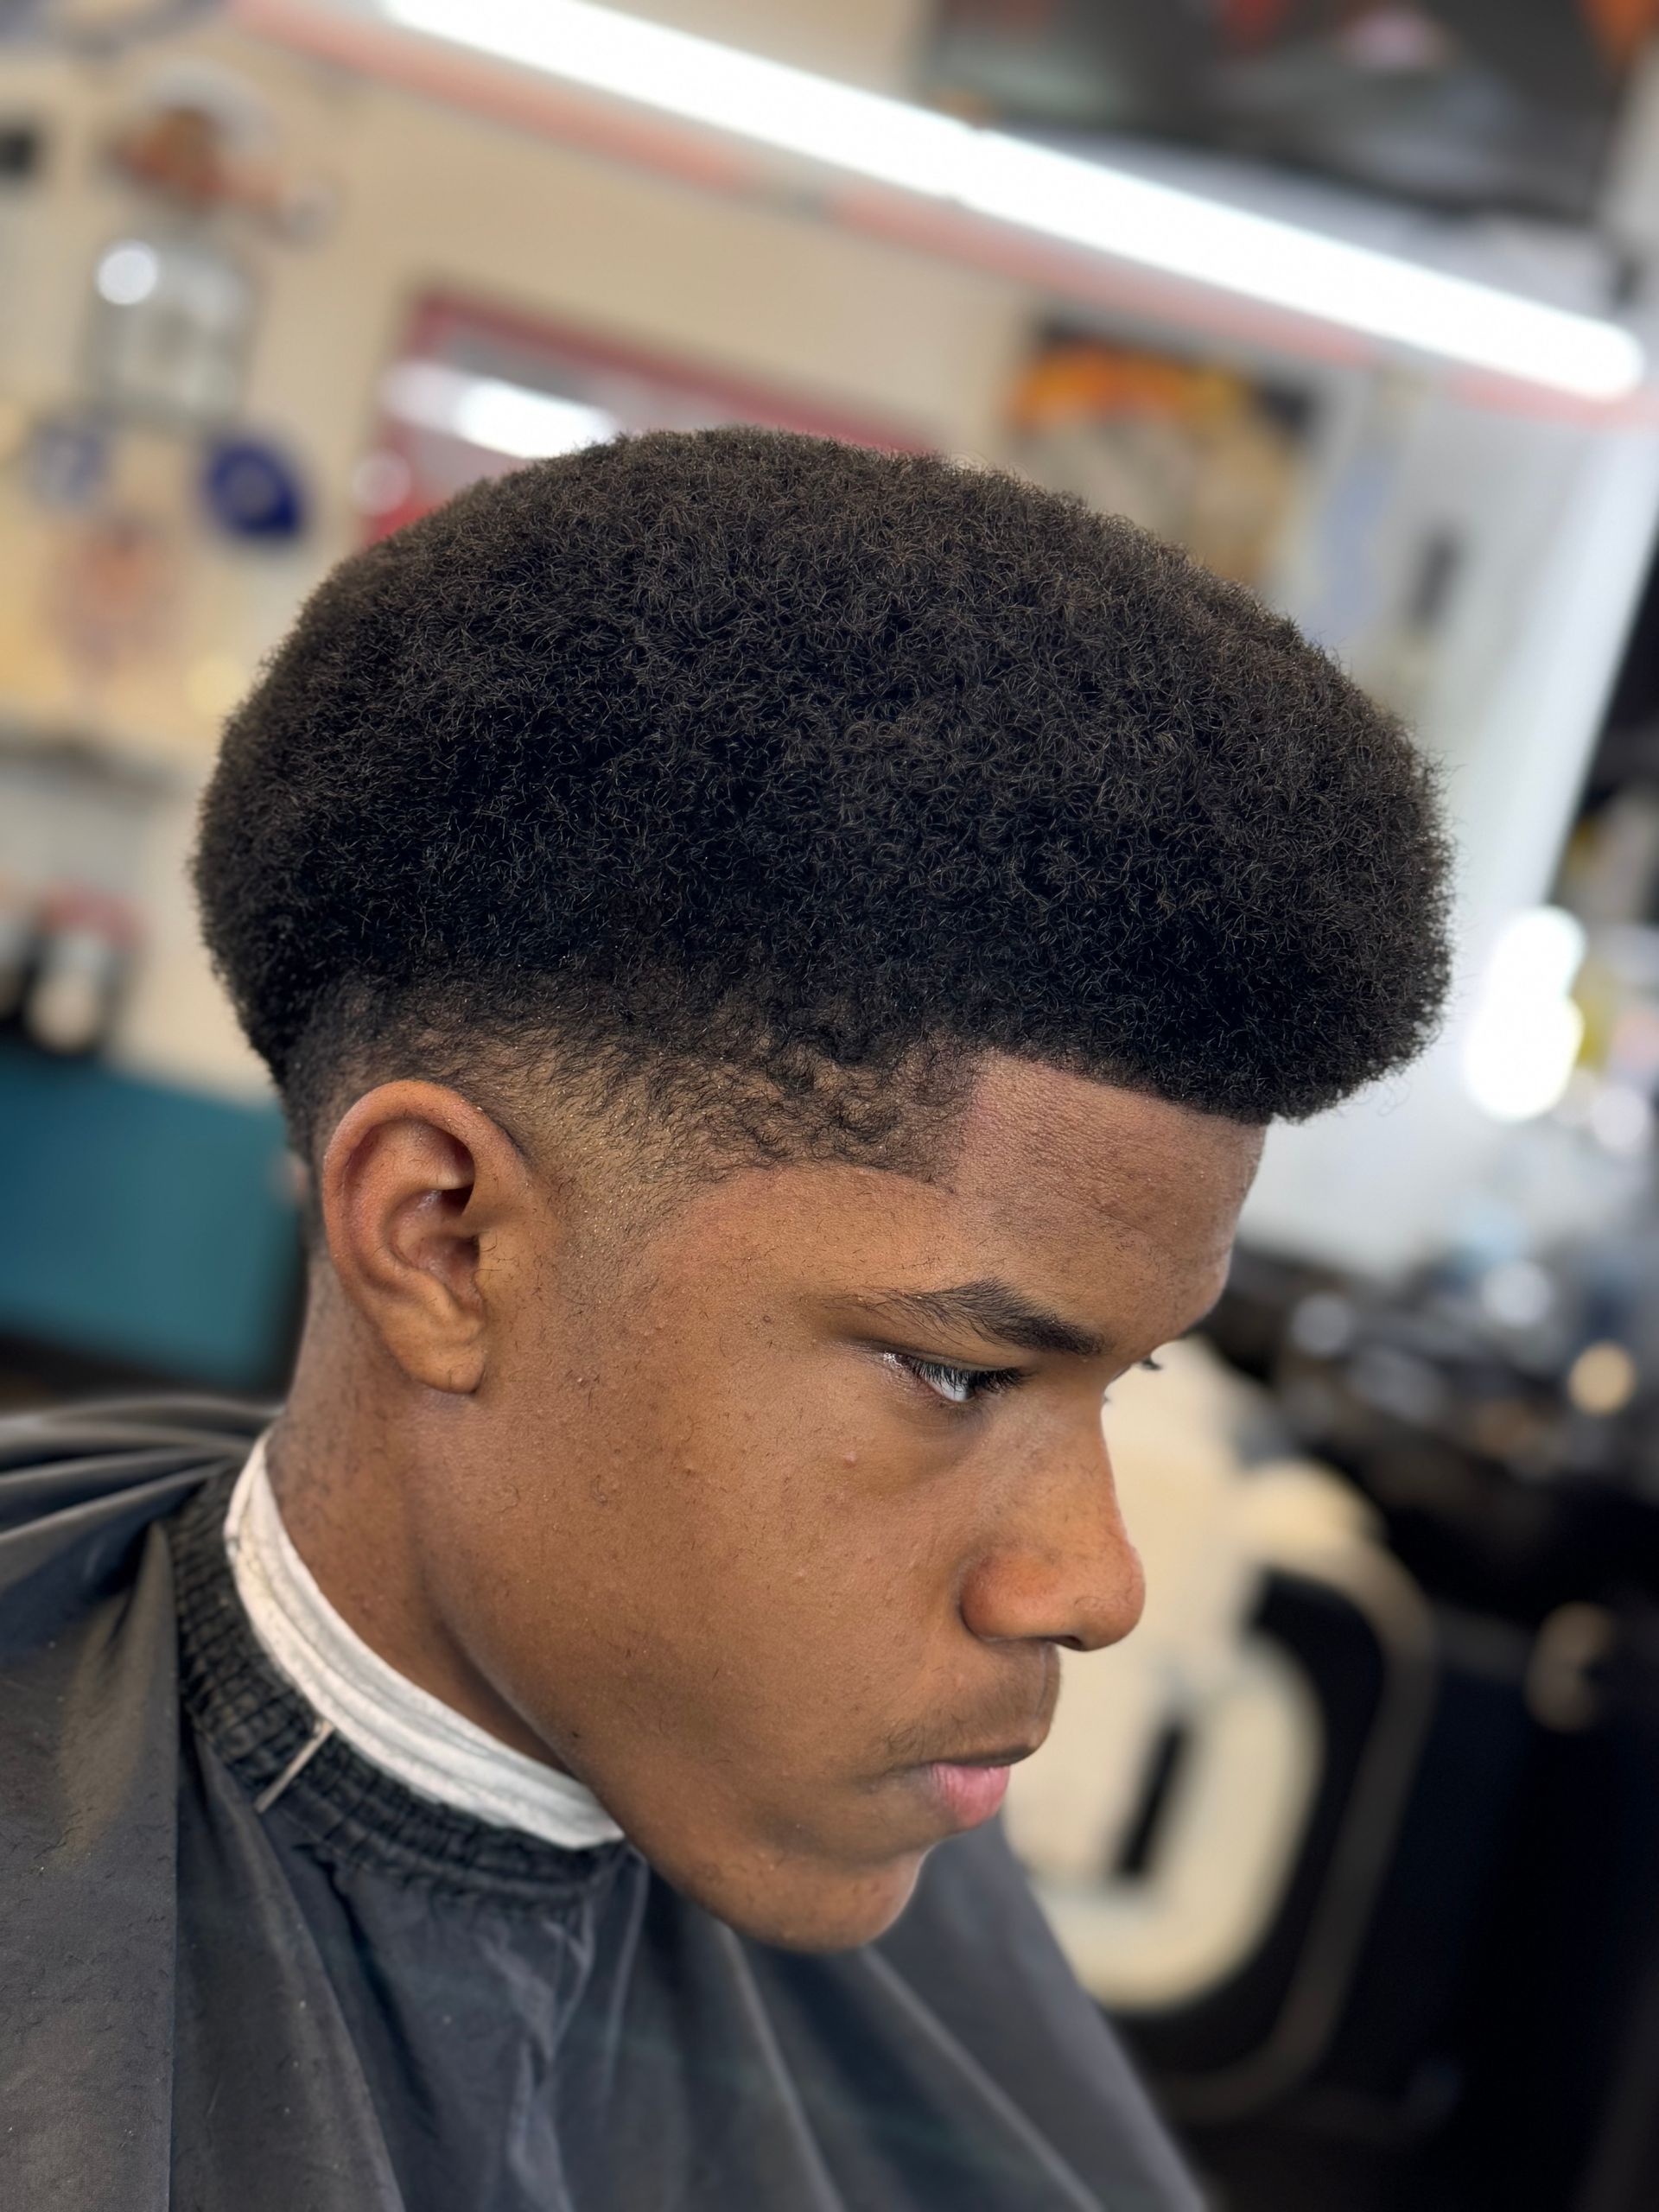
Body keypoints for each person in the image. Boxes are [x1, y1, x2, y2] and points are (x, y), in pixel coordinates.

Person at [0, 429, 1449, 2211]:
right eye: (958, 1369)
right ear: (443, 1239)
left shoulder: (864, 1810)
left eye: (1120, 1373)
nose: (1090, 1583)